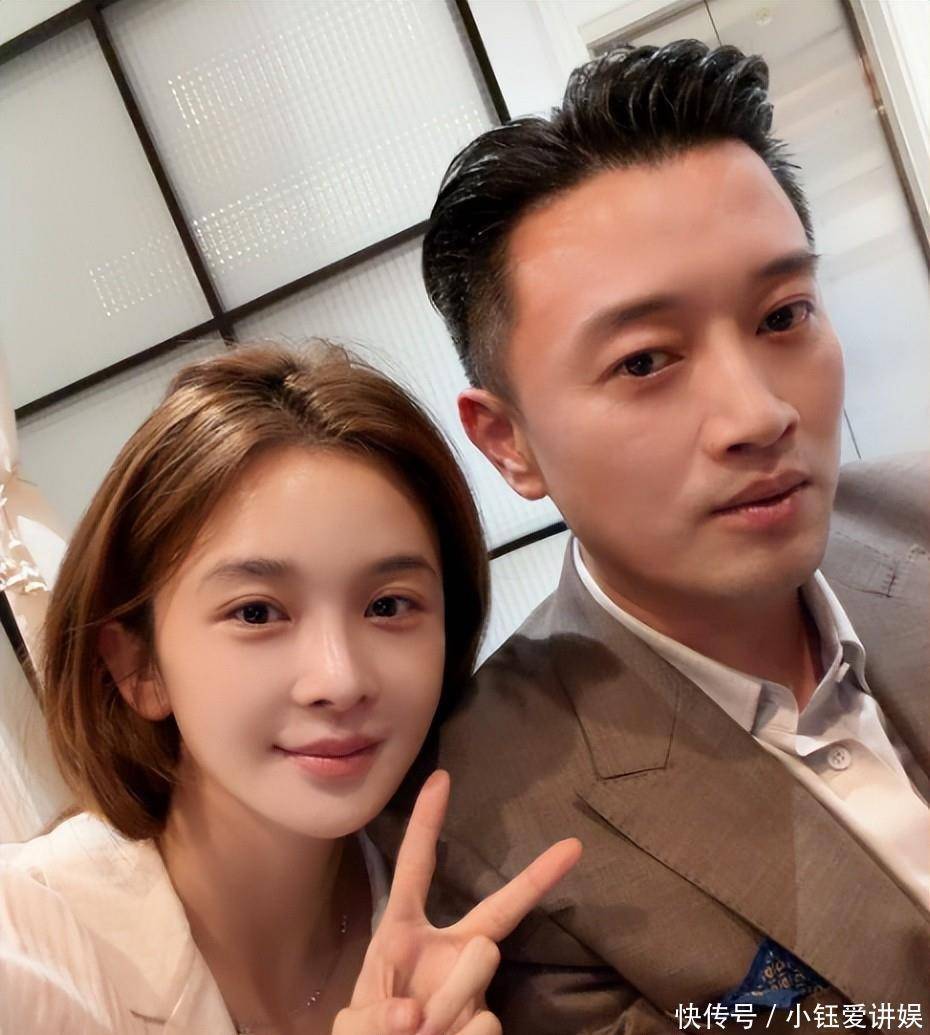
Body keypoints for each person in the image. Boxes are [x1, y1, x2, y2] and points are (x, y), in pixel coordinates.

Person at [371, 39, 930, 1032]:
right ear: (508, 443)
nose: (757, 414)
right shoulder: (497, 828)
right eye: (643, 363)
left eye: (783, 315)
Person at [0, 342, 580, 1035]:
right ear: (139, 667)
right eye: (256, 613)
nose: (340, 679)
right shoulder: (26, 948)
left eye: (388, 605)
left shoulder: (472, 902)